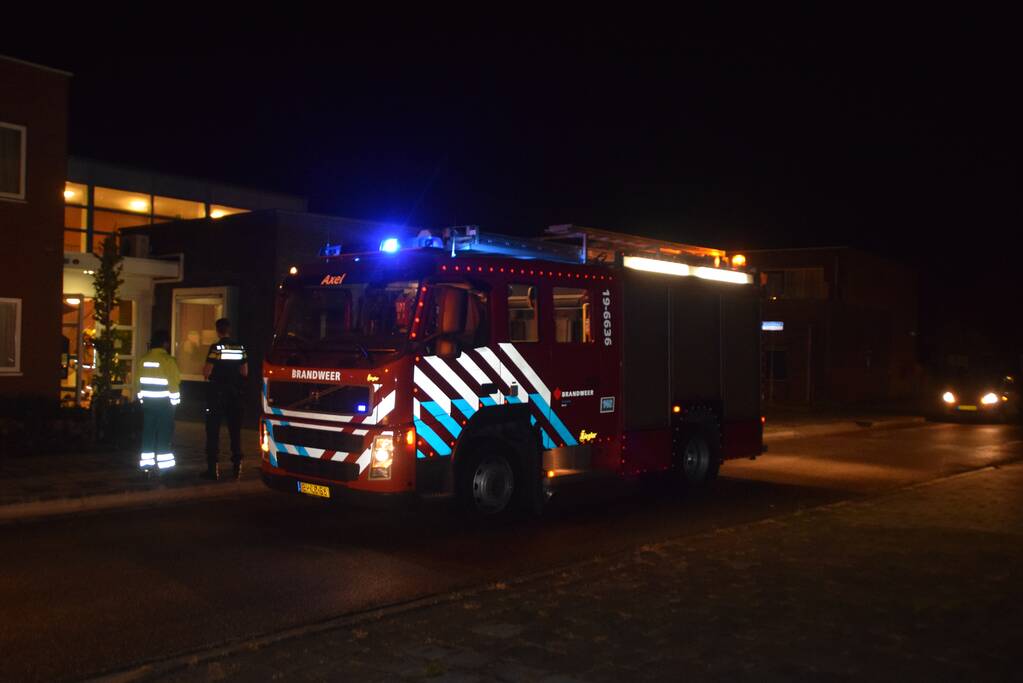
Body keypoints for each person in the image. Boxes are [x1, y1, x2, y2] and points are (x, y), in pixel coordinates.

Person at [202, 318, 248, 480]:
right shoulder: (240, 347)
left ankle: (212, 469)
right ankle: (237, 467)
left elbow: (207, 371)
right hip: (235, 394)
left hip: (217, 393)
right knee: (235, 431)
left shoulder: (216, 348)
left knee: (213, 430)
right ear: (229, 330)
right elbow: (244, 372)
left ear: (218, 331)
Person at [134, 330, 181, 474]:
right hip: (164, 404)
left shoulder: (143, 359)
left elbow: (138, 382)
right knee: (164, 434)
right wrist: (175, 402)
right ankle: (164, 468)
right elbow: (174, 383)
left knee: (148, 432)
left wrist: (142, 399)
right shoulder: (168, 360)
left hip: (148, 403)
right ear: (165, 343)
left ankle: (146, 466)